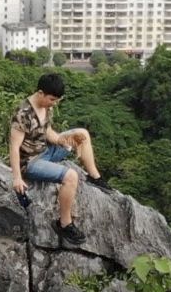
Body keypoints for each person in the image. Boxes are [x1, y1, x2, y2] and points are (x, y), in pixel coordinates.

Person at [8, 72, 112, 245]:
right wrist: (17, 178)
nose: (54, 104)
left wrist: (63, 141)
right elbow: (14, 147)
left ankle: (96, 178)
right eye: (52, 99)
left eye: (56, 100)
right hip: (31, 162)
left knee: (82, 135)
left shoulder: (46, 106)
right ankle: (64, 224)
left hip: (46, 150)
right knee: (71, 176)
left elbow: (47, 132)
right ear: (40, 93)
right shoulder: (23, 114)